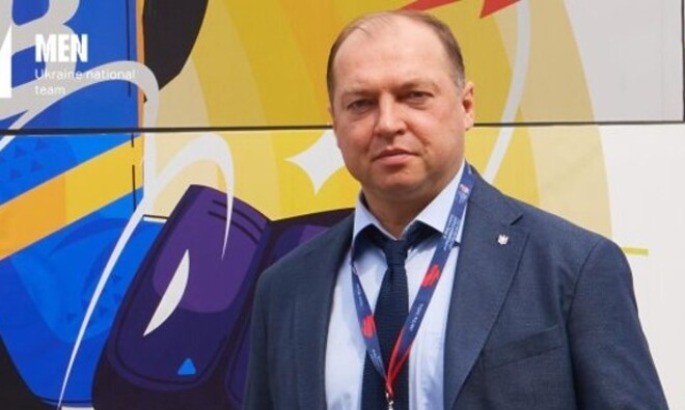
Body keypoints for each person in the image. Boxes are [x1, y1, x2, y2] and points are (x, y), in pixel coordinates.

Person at [244, 10, 668, 410]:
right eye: (361, 103)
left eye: (414, 96)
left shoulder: (572, 267)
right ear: (334, 123)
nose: (388, 123)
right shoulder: (285, 290)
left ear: (466, 106)